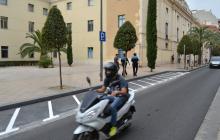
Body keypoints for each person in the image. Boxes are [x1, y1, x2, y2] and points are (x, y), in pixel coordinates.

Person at [96, 62, 129, 136]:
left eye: (108, 70)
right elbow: (103, 89)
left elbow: (124, 91)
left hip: (121, 96)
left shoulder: (120, 79)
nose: (107, 72)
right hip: (112, 95)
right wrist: (95, 91)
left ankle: (113, 127)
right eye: (106, 70)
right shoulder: (107, 78)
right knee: (99, 98)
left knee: (112, 107)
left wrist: (117, 92)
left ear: (113, 71)